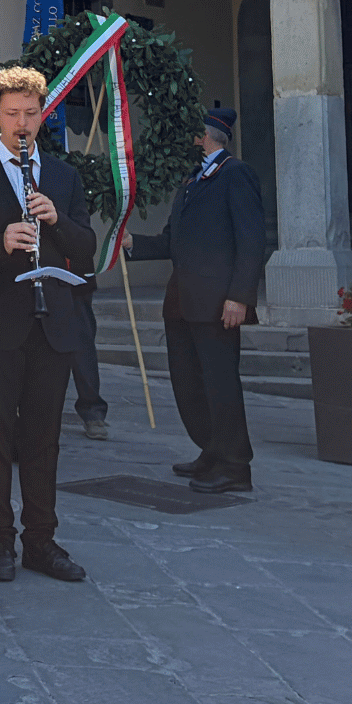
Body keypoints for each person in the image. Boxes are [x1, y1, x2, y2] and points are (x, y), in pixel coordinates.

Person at [0, 67, 98, 584]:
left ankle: (42, 541)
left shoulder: (63, 176)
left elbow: (86, 247)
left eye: (31, 113)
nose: (22, 123)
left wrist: (57, 220)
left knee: (43, 437)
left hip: (52, 323)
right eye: (12, 114)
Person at [127, 106, 264, 492]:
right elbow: (173, 240)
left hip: (218, 304)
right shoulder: (191, 180)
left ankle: (235, 466)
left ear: (203, 138)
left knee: (220, 385)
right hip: (183, 303)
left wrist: (240, 297)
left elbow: (251, 241)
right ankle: (212, 449)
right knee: (189, 385)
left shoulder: (235, 175)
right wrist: (133, 243)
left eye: (191, 136)